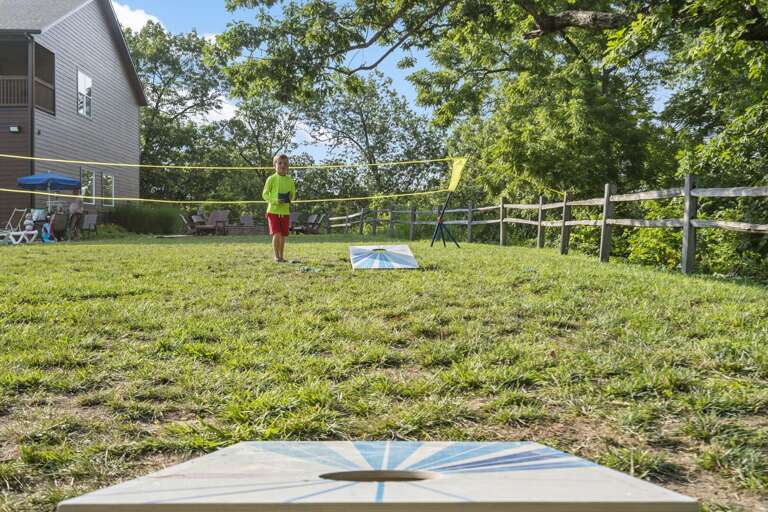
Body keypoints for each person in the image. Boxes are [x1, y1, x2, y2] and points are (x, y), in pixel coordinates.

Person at [262, 154, 296, 262]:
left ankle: (281, 256)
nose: (282, 165)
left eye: (285, 164)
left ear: (288, 167)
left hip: (285, 212)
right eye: (280, 163)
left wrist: (290, 198)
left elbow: (293, 194)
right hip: (273, 211)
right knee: (276, 234)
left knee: (283, 236)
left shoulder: (290, 180)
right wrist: (275, 201)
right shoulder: (271, 179)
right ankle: (276, 257)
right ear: (274, 165)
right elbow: (265, 194)